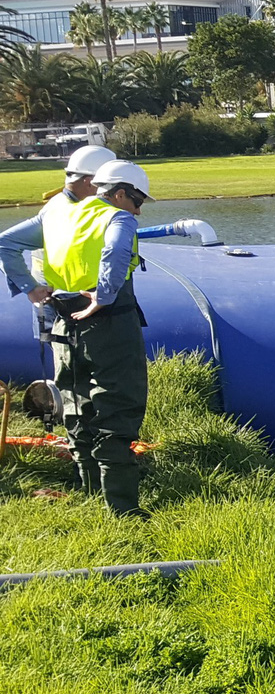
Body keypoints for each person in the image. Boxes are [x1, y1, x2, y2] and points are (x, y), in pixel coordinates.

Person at [0, 159, 155, 516]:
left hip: (62, 322)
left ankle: (88, 490)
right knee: (116, 407)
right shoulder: (117, 218)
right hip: (109, 324)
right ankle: (122, 509)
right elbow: (115, 251)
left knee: (75, 403)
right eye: (139, 200)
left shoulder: (56, 213)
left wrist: (29, 287)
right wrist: (104, 294)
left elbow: (6, 243)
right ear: (120, 194)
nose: (140, 209)